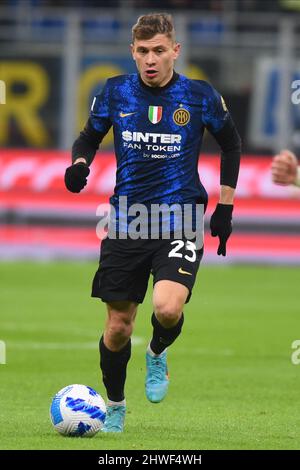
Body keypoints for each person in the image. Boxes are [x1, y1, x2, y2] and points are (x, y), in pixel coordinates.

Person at [64, 13, 241, 433]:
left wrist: (226, 207)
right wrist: (78, 163)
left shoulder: (199, 96)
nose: (151, 59)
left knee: (166, 308)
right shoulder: (114, 92)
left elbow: (231, 143)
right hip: (127, 222)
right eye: (143, 51)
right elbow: (89, 136)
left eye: (159, 50)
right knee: (118, 327)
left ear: (175, 51)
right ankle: (116, 406)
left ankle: (158, 353)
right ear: (132, 52)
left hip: (180, 220)